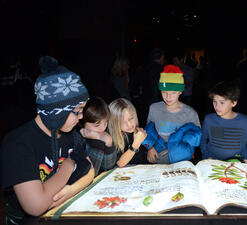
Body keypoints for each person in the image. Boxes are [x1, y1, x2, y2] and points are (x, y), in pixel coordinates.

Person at [1, 56, 94, 224]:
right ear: (56, 110)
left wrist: (71, 190)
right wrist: (69, 165)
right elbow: (35, 206)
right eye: (77, 110)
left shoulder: (71, 135)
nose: (80, 117)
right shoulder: (18, 144)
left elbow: (90, 171)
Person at [145, 65, 201, 164]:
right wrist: (150, 148)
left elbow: (195, 138)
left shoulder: (190, 114)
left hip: (180, 162)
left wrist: (173, 150)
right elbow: (148, 131)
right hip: (158, 160)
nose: (168, 97)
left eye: (173, 93)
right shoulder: (154, 108)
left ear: (180, 91)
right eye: (164, 92)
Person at [200, 80, 247, 162]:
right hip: (212, 161)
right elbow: (203, 139)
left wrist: (245, 155)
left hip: (234, 163)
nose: (217, 106)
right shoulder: (209, 119)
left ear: (234, 103)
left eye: (222, 102)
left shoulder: (246, 122)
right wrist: (206, 156)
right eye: (214, 101)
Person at [79, 96, 117, 176]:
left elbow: (108, 167)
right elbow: (91, 173)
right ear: (82, 122)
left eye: (106, 122)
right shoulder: (77, 139)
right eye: (97, 125)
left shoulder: (104, 133)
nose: (103, 128)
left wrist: (108, 142)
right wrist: (97, 140)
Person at [108, 98, 148, 167]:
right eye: (122, 122)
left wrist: (150, 148)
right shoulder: (111, 138)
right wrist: (136, 144)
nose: (129, 124)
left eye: (131, 119)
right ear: (114, 123)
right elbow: (120, 163)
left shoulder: (138, 131)